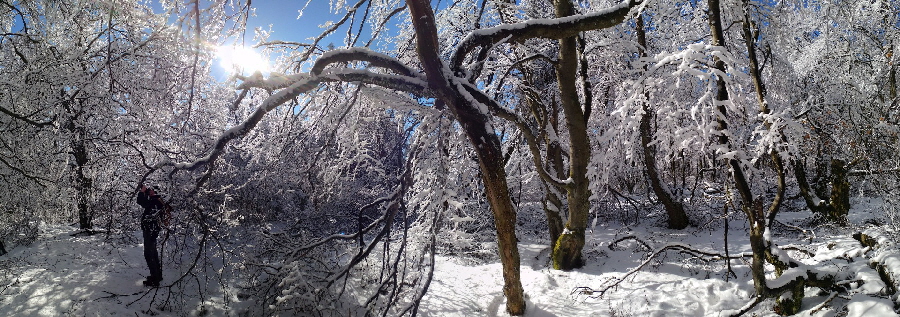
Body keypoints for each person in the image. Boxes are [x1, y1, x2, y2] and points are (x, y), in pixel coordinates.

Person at [137, 185, 164, 287]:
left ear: (155, 191)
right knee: (153, 253)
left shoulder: (155, 201)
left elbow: (141, 202)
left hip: (150, 231)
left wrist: (141, 192)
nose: (149, 192)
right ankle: (157, 276)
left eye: (151, 191)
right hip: (152, 230)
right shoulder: (158, 200)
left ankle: (154, 279)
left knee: (149, 254)